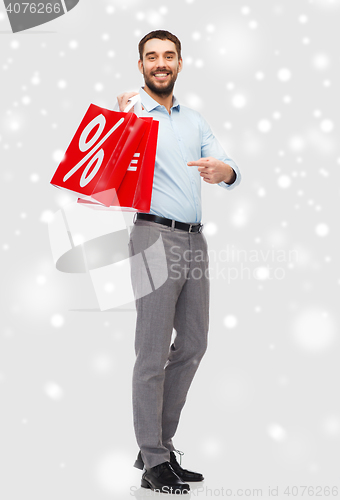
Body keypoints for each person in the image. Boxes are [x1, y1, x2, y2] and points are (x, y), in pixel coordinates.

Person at [115, 30, 241, 494]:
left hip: (194, 241)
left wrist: (223, 171)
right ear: (142, 65)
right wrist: (121, 115)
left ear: (181, 64)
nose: (160, 63)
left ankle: (158, 449)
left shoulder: (194, 120)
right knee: (150, 351)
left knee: (192, 344)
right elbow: (103, 158)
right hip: (151, 236)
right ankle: (153, 460)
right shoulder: (133, 114)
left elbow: (225, 164)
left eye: (168, 56)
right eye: (152, 57)